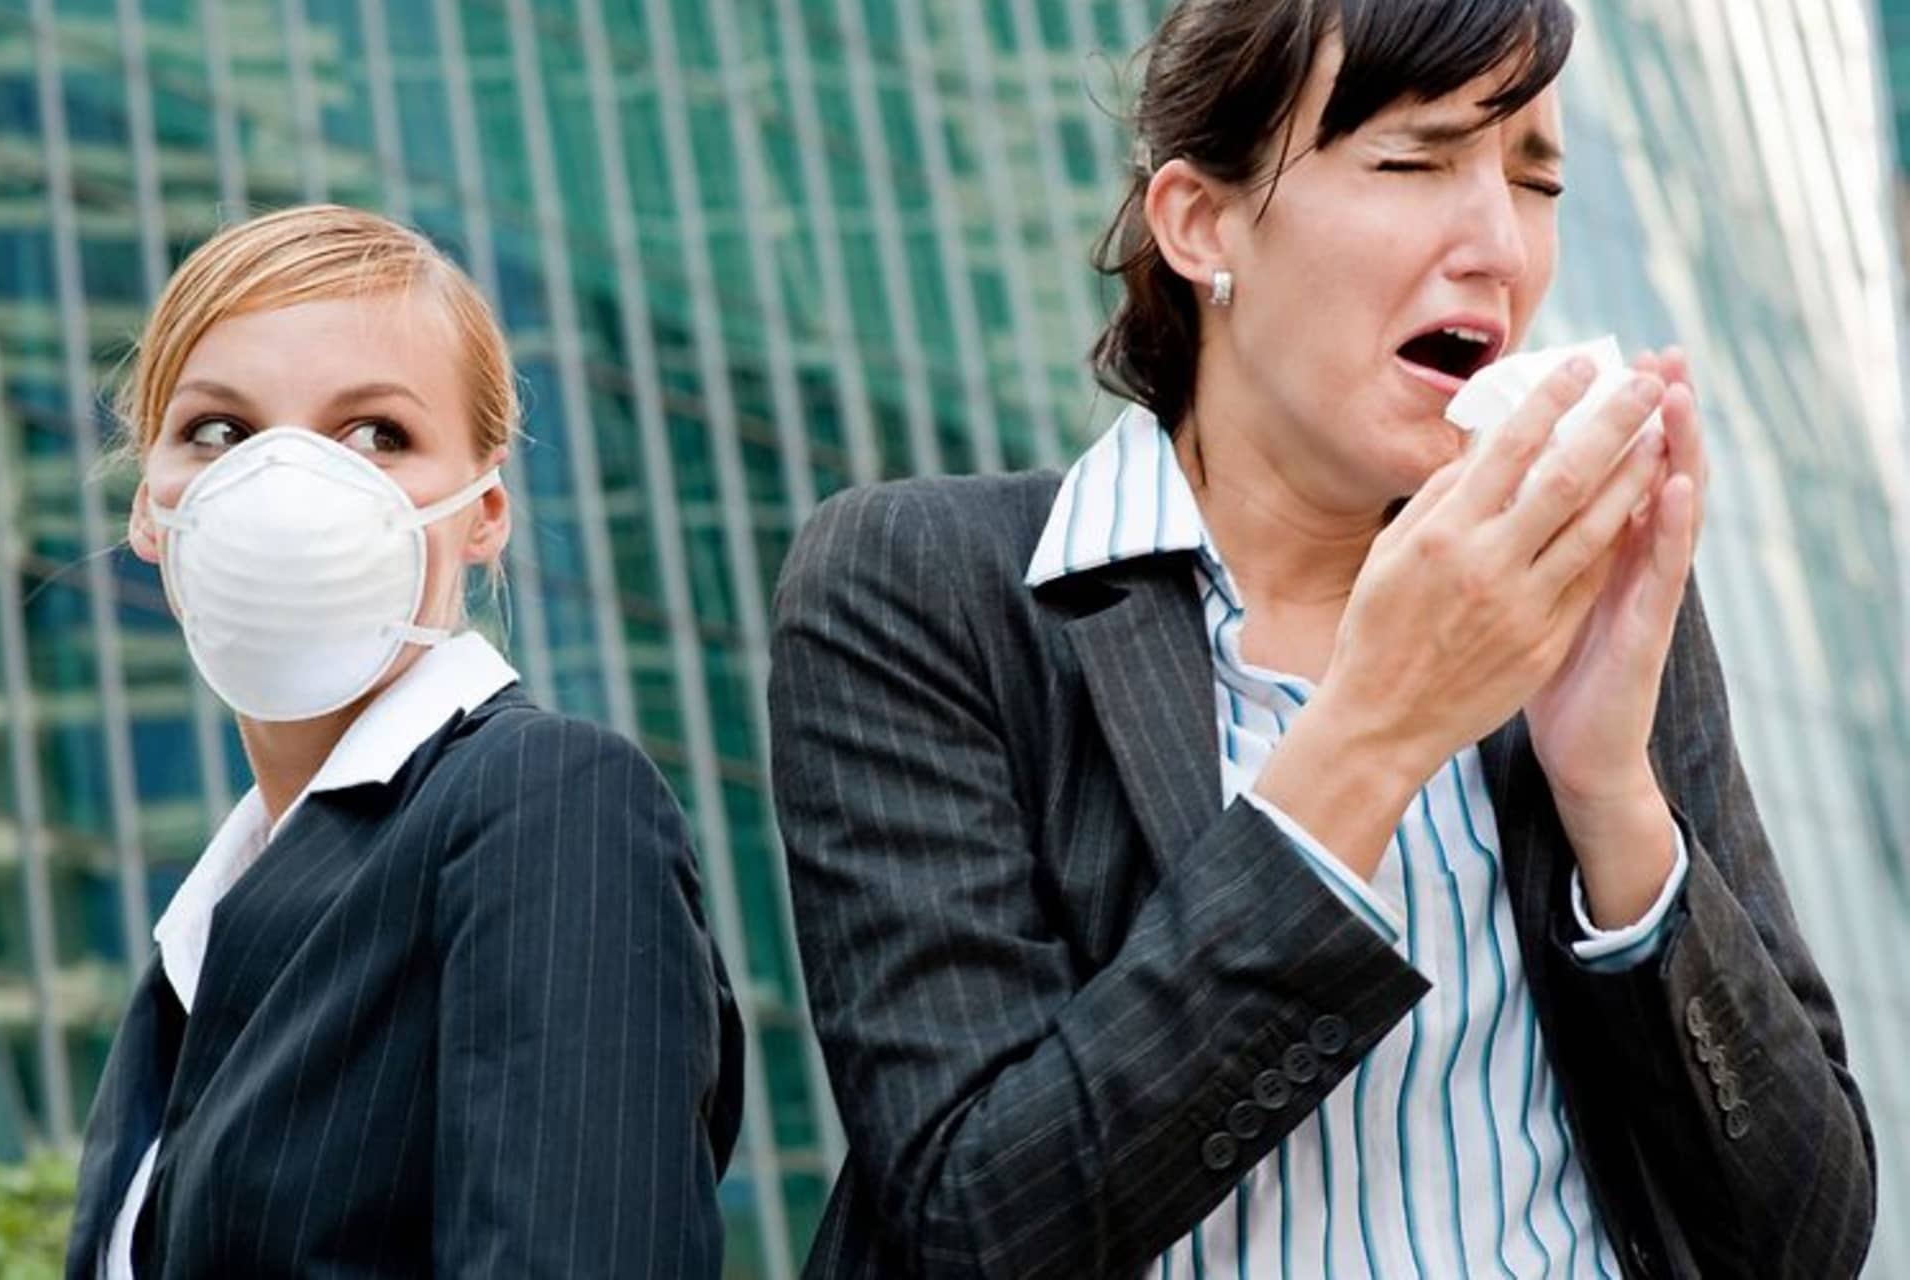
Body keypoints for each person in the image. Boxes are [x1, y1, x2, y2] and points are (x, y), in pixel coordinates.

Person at [767, 1, 1874, 1276]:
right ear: (1200, 222)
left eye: (1535, 180)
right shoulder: (929, 589)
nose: (1497, 246)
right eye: (1412, 160)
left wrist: (1609, 794)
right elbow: (978, 1219)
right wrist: (1372, 738)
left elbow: (1805, 1235)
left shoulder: (1579, 591)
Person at [64, 204, 742, 1278]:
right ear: (151, 508)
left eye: (377, 434)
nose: (285, 487)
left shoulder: (547, 801)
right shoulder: (200, 933)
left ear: (485, 511)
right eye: (220, 432)